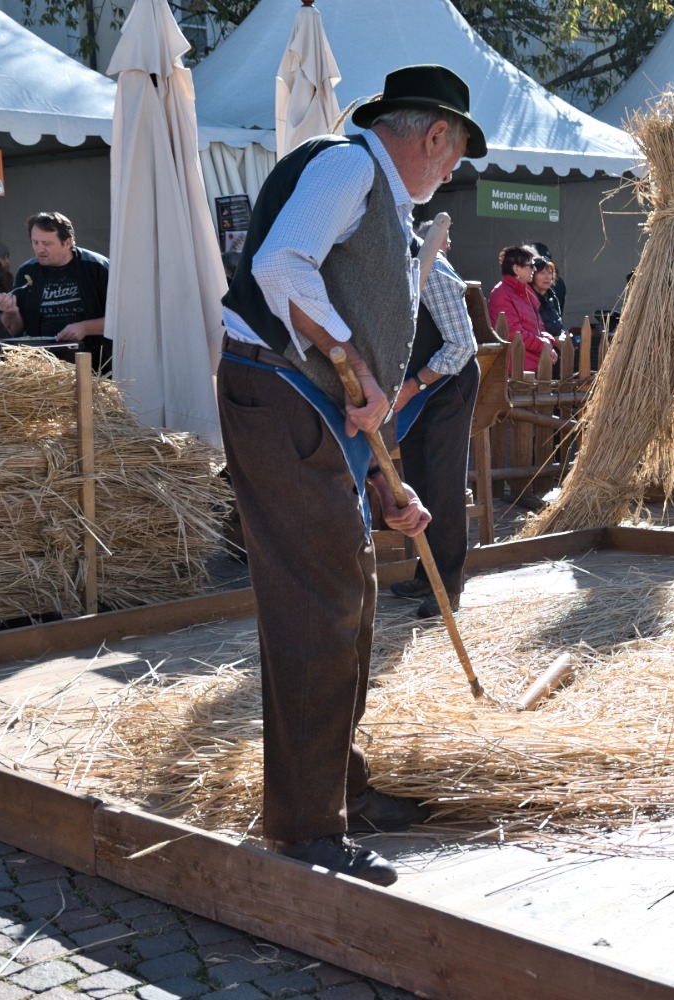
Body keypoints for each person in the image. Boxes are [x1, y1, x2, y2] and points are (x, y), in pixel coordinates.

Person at [218, 64, 485, 886]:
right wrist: (349, 361)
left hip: (306, 406)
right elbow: (282, 266)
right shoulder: (346, 164)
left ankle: (338, 790)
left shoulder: (380, 193)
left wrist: (382, 481)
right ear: (434, 134)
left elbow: (348, 357)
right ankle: (305, 830)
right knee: (319, 601)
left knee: (351, 593)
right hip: (276, 389)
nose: (450, 174)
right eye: (453, 157)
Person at [390, 220, 481, 621]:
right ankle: (426, 575)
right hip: (414, 385)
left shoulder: (433, 269)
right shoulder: (391, 267)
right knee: (418, 480)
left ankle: (449, 586)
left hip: (448, 383)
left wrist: (412, 386)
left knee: (443, 484)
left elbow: (463, 344)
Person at [0, 212, 111, 372]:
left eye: (47, 243)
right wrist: (11, 312)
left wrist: (85, 327)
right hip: (43, 370)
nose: (39, 249)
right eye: (35, 242)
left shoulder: (98, 267)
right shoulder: (27, 271)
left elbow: (123, 319)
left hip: (95, 365)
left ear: (67, 242)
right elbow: (15, 330)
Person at [488, 244, 554, 377]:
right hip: (517, 372)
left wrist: (548, 341)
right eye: (530, 266)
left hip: (534, 366)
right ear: (516, 269)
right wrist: (544, 345)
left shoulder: (527, 291)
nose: (534, 269)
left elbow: (539, 326)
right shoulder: (501, 294)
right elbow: (513, 333)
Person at [530, 253, 565, 338]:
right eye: (542, 273)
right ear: (533, 276)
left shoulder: (552, 298)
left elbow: (558, 327)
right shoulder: (528, 299)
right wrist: (555, 341)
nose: (547, 277)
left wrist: (564, 336)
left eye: (550, 273)